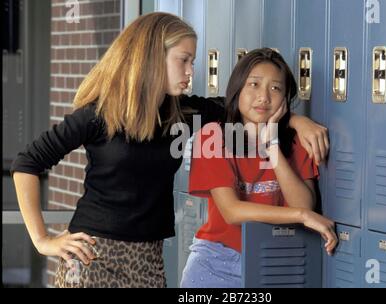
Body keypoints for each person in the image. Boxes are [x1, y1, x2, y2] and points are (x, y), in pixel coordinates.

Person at [11, 13, 329, 288]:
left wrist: (297, 120)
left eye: (192, 61)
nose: (192, 70)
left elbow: (244, 106)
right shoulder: (99, 115)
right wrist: (42, 240)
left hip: (149, 257)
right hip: (93, 253)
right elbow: (28, 162)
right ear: (152, 56)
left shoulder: (184, 112)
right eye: (184, 60)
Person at [180, 48, 338, 288]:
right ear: (238, 89)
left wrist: (272, 145)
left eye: (275, 88)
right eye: (254, 84)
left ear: (285, 99)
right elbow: (232, 211)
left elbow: (303, 204)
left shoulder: (296, 142)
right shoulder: (213, 138)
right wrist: (302, 216)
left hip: (275, 263)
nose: (264, 96)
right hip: (216, 265)